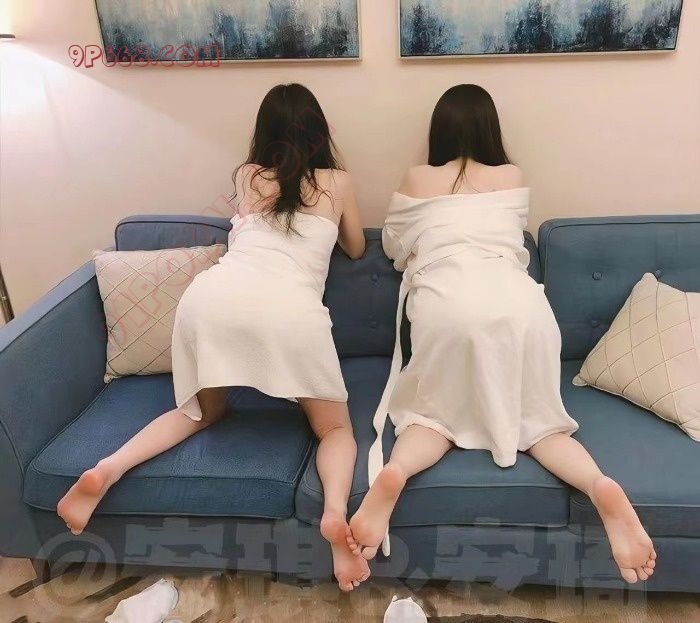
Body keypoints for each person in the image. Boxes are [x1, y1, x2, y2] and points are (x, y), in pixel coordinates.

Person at [57, 83, 369, 592]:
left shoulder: (248, 176)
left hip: (211, 300)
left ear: (264, 132)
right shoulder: (338, 183)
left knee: (197, 412)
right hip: (289, 313)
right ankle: (334, 513)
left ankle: (106, 469)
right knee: (334, 430)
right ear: (318, 131)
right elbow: (355, 248)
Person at [347, 84, 656, 585]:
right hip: (523, 308)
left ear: (439, 130)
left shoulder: (418, 177)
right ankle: (598, 484)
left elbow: (395, 247)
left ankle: (396, 473)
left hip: (448, 304)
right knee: (540, 424)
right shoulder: (511, 176)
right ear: (491, 128)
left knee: (432, 418)